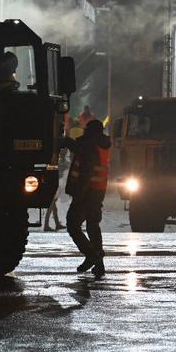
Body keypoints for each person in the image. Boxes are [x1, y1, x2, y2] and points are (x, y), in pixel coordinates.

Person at [64, 119, 111, 277]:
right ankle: (99, 265)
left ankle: (91, 255)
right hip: (98, 192)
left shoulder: (90, 146)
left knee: (72, 224)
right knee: (93, 227)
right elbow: (80, 148)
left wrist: (78, 195)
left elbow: (86, 172)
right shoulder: (101, 145)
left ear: (91, 131)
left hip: (86, 193)